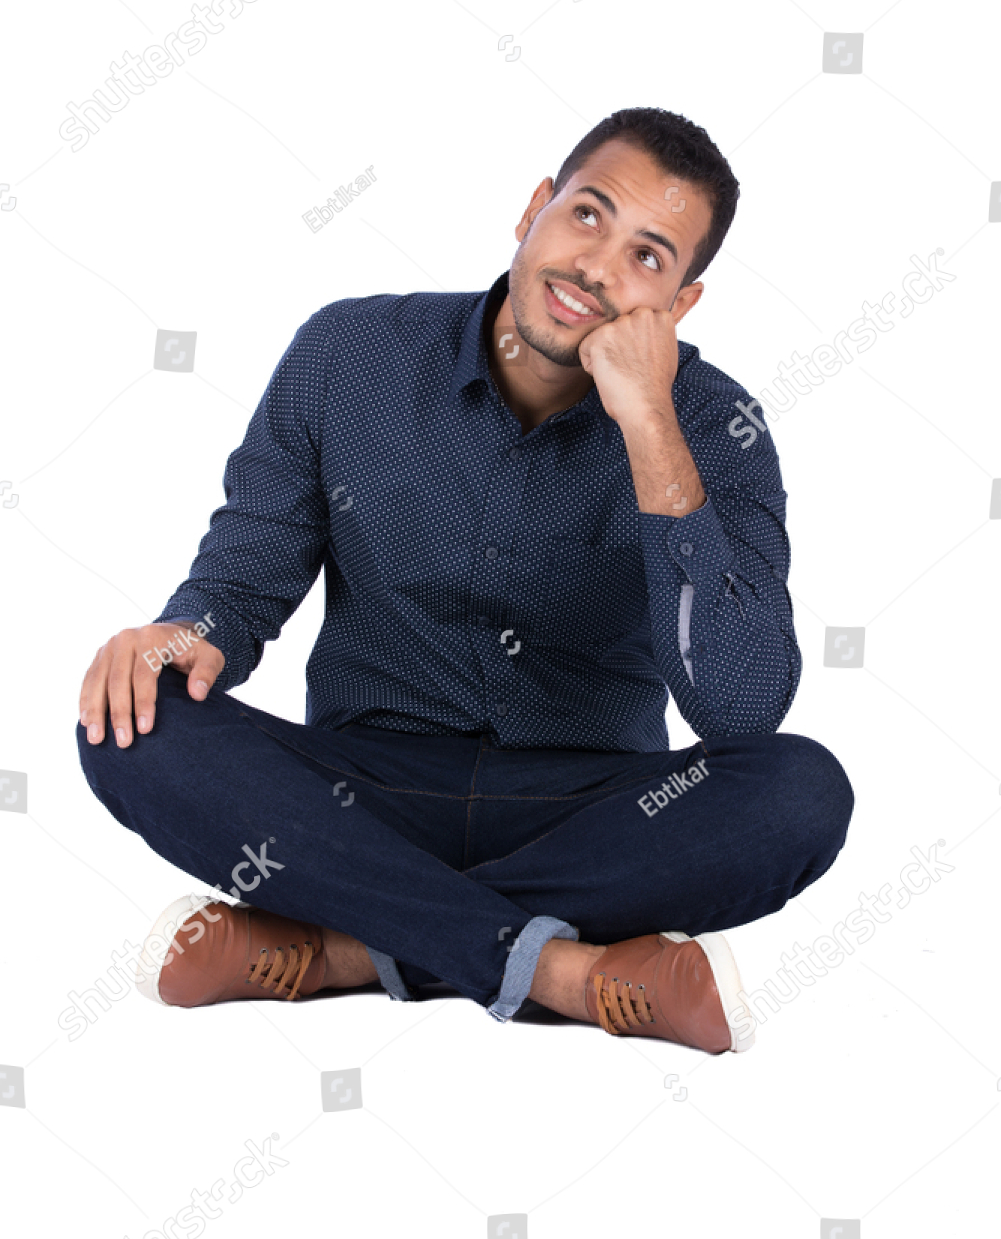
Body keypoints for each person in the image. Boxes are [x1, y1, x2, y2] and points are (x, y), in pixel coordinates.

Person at [76, 107, 853, 1056]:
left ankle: (353, 950)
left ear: (680, 303)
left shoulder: (718, 425)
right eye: (586, 216)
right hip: (359, 794)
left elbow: (740, 709)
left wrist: (650, 424)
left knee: (802, 791)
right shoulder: (346, 355)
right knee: (132, 718)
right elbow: (239, 588)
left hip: (592, 813)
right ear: (534, 208)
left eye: (648, 257)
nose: (597, 267)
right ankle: (560, 970)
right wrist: (177, 637)